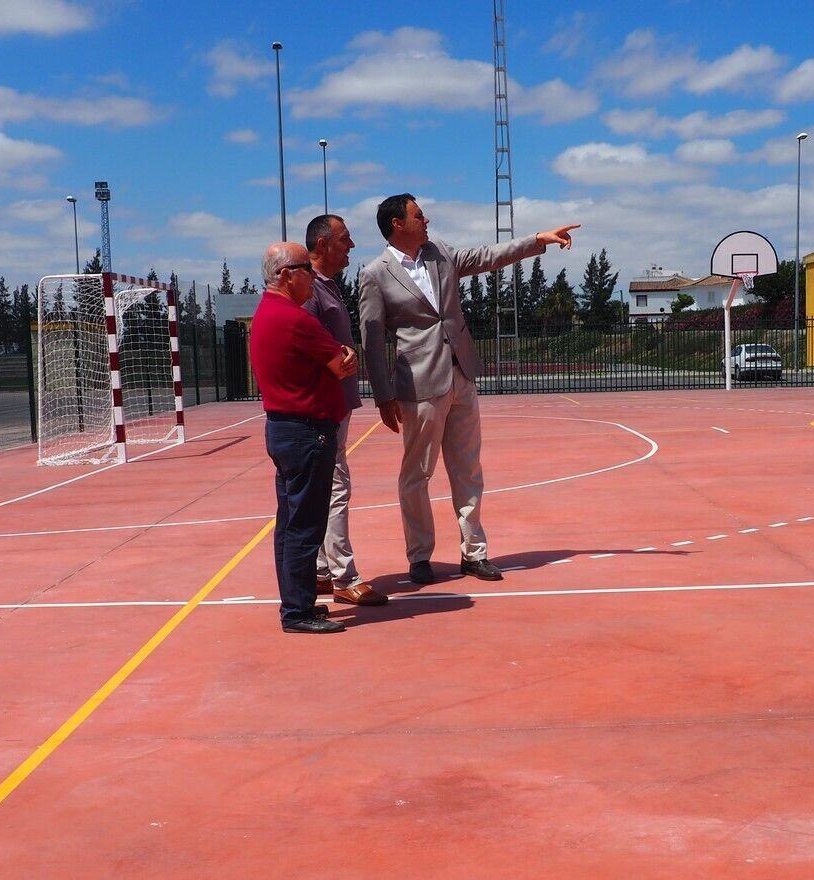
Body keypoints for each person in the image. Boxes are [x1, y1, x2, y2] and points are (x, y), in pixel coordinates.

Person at [358, 193, 578, 584]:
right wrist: (382, 396)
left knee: (468, 470)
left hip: (461, 374)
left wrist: (539, 239)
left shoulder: (440, 252)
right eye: (418, 215)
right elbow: (372, 340)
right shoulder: (375, 273)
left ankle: (474, 553)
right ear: (397, 224)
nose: (426, 220)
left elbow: (487, 256)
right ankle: (420, 556)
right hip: (419, 384)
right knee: (417, 474)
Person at [248, 242, 358, 635]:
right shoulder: (295, 319)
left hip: (285, 429)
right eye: (304, 270)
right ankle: (296, 611)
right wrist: (346, 356)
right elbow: (342, 364)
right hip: (307, 431)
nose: (312, 276)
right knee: (304, 524)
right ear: (285, 275)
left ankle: (297, 602)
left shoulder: (265, 314)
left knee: (290, 521)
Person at [305, 214, 387, 608]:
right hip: (325, 404)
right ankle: (343, 575)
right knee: (335, 486)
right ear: (323, 245)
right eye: (345, 239)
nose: (351, 246)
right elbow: (307, 344)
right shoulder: (309, 289)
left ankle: (322, 570)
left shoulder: (327, 286)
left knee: (329, 484)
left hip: (337, 400)